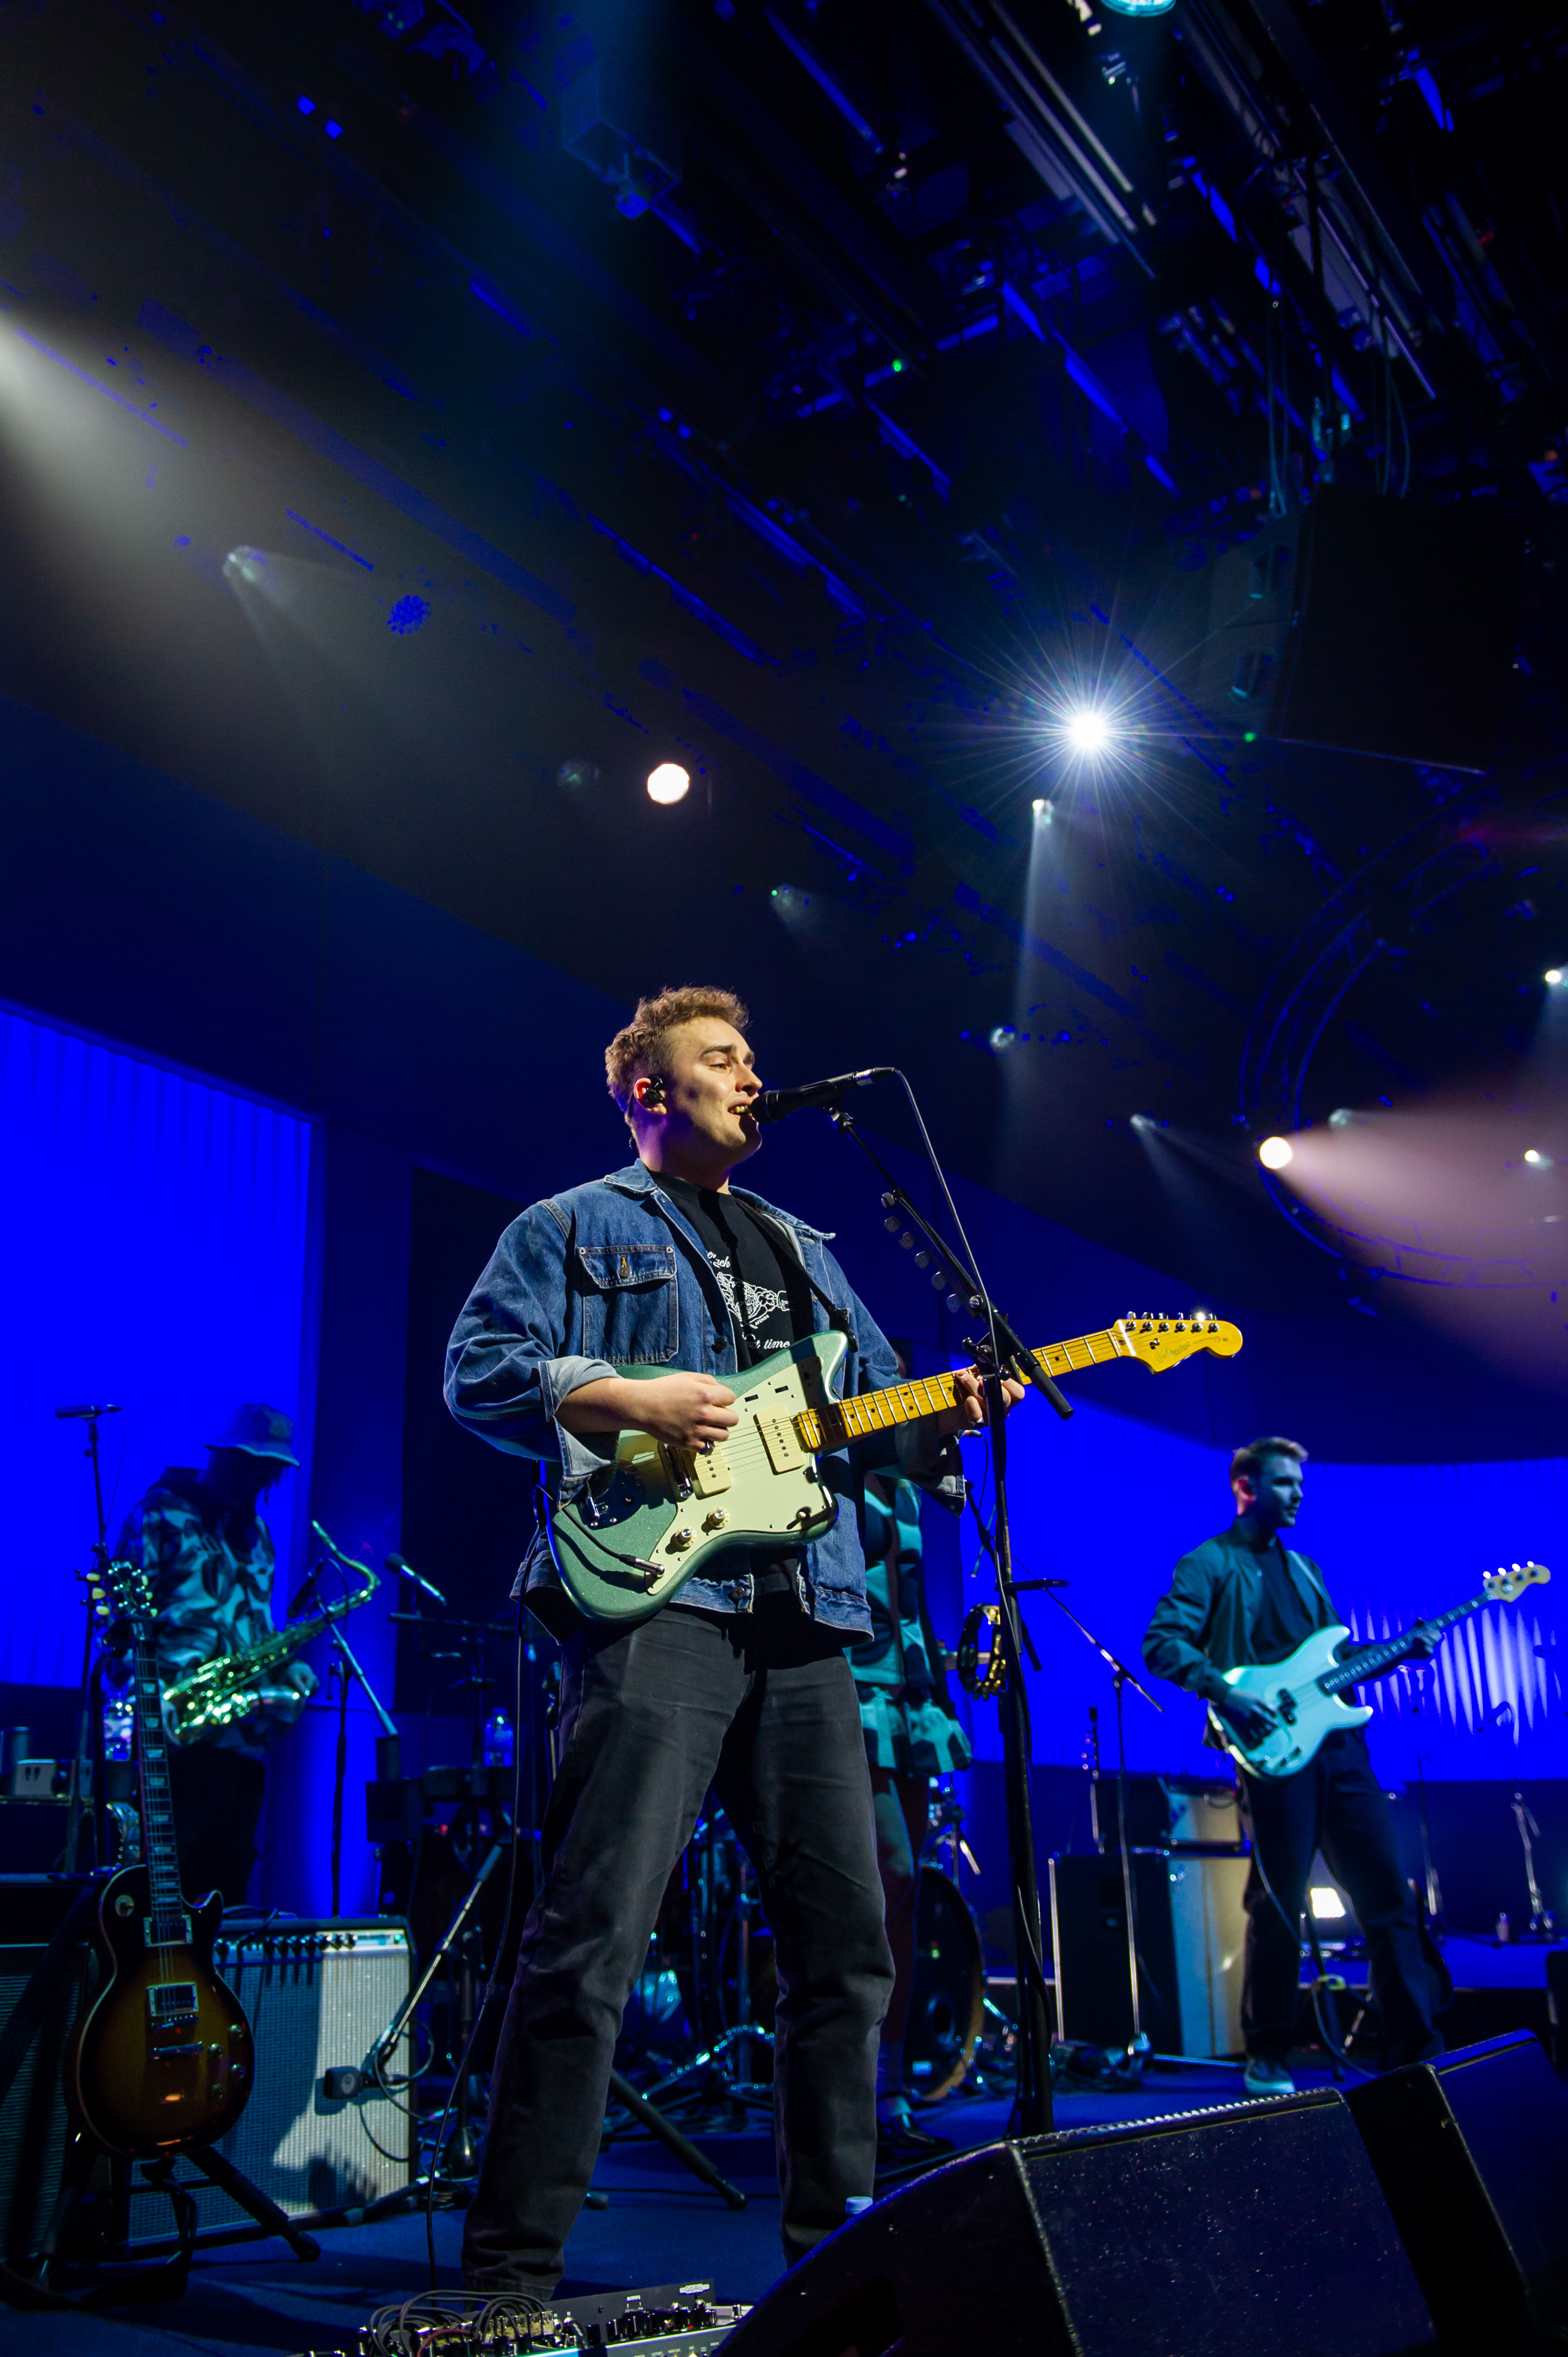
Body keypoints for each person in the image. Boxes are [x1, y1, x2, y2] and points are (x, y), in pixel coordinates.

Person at [445, 985, 1023, 2303]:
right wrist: (621, 1391)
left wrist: (943, 1416)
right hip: (658, 1608)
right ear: (650, 1090)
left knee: (847, 1951)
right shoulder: (571, 1224)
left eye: (753, 1056)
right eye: (721, 1057)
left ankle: (834, 2269)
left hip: (807, 1618)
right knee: (593, 1934)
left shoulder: (801, 1247)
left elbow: (867, 1419)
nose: (752, 1074)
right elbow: (479, 1371)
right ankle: (508, 2277)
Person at [1142, 1436, 1442, 2095]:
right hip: (1274, 1755)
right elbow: (1161, 1643)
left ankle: (1414, 2054)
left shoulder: (1306, 1569)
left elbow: (1334, 1660)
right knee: (1277, 1903)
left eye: (1300, 1484)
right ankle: (1267, 2052)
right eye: (1284, 1483)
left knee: (1389, 1899)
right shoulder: (1208, 1563)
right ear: (1245, 1488)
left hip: (1342, 1753)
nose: (1298, 1494)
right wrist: (1226, 1693)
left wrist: (1399, 1649)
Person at [113, 1403, 315, 1907]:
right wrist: (143, 1710)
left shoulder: (259, 1535)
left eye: (271, 1469)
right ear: (222, 1455)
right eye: (251, 1463)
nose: (260, 1477)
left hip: (242, 1749)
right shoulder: (158, 1514)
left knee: (226, 1897)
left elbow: (256, 1627)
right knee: (164, 1896)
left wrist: (289, 1670)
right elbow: (117, 1631)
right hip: (175, 1744)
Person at [850, 1459, 971, 2160]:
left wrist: (941, 1687)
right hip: (850, 1687)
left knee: (905, 1898)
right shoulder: (833, 1474)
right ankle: (853, 2097)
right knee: (887, 1877)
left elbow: (910, 1598)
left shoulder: (904, 1489)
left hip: (909, 1696)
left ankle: (888, 2094)